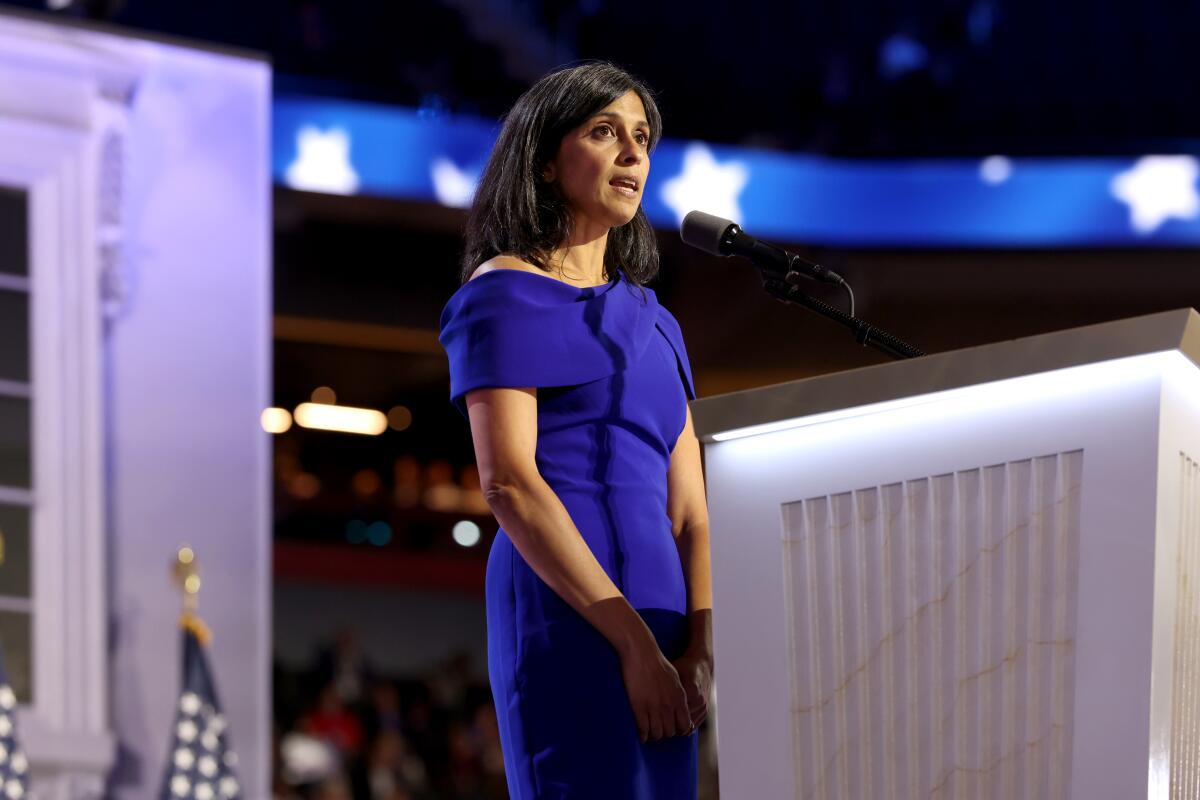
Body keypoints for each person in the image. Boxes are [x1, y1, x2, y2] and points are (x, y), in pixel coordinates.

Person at [438, 61, 714, 798]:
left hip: (667, 623)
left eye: (642, 138)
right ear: (546, 163)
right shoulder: (502, 294)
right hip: (570, 618)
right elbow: (508, 482)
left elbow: (689, 509)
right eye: (604, 132)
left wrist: (701, 649)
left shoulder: (661, 325)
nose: (633, 153)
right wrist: (631, 644)